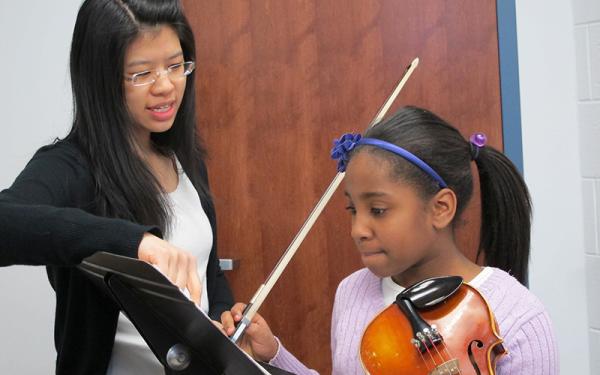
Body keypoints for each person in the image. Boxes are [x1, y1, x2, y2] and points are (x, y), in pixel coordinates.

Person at [221, 106, 558, 374]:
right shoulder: (352, 292)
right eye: (353, 210)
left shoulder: (517, 317)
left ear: (440, 208)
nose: (358, 229)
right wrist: (273, 355)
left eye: (378, 210)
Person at [0, 0, 233, 374]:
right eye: (142, 74)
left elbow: (209, 276)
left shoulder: (184, 159)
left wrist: (224, 318)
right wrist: (134, 242)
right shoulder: (71, 166)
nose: (166, 86)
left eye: (176, 66)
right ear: (100, 77)